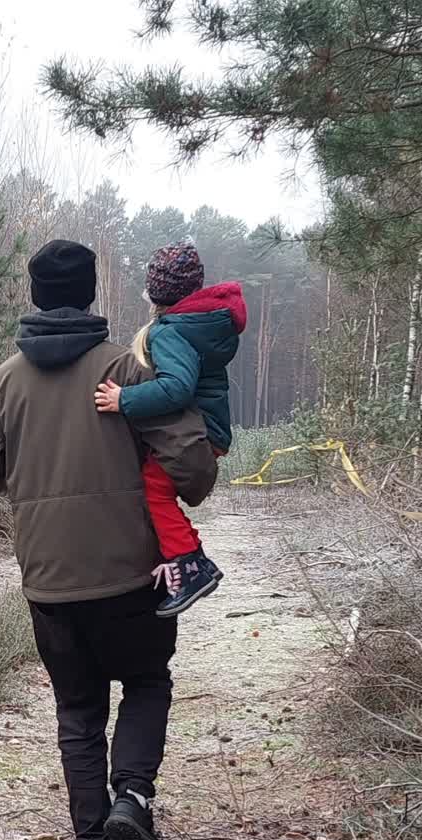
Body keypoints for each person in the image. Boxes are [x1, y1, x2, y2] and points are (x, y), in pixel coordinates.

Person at [0, 239, 218, 840]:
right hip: (133, 576)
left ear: (35, 295)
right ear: (90, 293)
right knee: (146, 681)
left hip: (48, 580)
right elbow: (193, 470)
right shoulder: (129, 370)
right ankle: (133, 795)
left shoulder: (4, 381)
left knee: (77, 712)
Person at [93, 241, 246, 616]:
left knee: (154, 489)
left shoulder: (170, 331)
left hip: (195, 432)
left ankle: (191, 564)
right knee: (157, 486)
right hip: (207, 429)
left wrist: (124, 399)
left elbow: (177, 388)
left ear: (156, 292)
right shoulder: (203, 323)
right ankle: (191, 559)